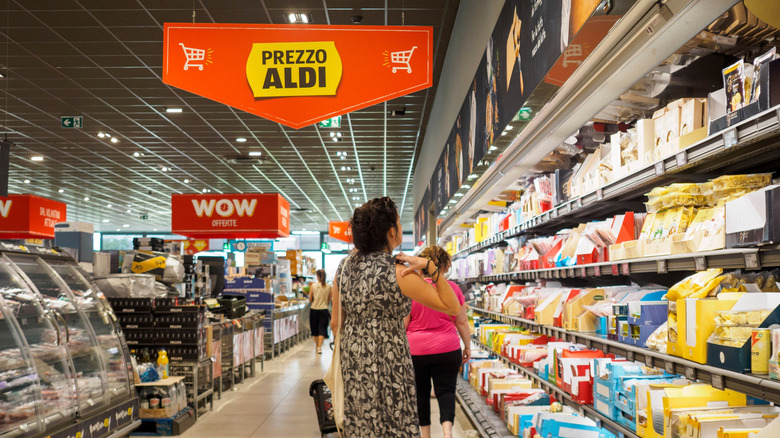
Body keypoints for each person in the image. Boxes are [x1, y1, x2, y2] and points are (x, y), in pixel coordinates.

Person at [331, 197, 461, 438]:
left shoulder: (344, 267)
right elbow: (452, 307)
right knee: (394, 420)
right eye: (399, 223)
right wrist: (430, 267)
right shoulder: (398, 271)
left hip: (354, 358)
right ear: (391, 232)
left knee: (362, 422)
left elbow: (336, 323)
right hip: (389, 356)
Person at [404, 246, 471, 438]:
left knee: (421, 393)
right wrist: (467, 346)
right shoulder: (453, 289)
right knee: (447, 390)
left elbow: (404, 323)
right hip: (448, 348)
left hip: (416, 350)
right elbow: (461, 321)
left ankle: (425, 435)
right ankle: (447, 433)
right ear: (445, 265)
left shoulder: (412, 290)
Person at [308, 269, 331, 354]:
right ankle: (319, 347)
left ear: (317, 276)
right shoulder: (328, 286)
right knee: (322, 328)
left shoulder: (313, 286)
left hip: (314, 309)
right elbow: (329, 299)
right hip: (324, 309)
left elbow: (310, 299)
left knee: (314, 329)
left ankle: (317, 345)